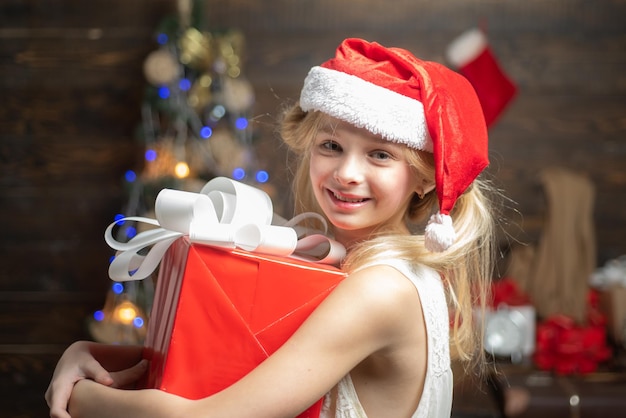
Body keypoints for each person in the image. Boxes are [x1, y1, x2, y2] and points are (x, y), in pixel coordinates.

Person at [46, 37, 497, 418]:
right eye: (331, 145)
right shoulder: (353, 265)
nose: (346, 173)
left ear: (422, 177)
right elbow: (244, 369)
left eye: (380, 155)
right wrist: (91, 354)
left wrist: (78, 396)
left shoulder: (380, 288)